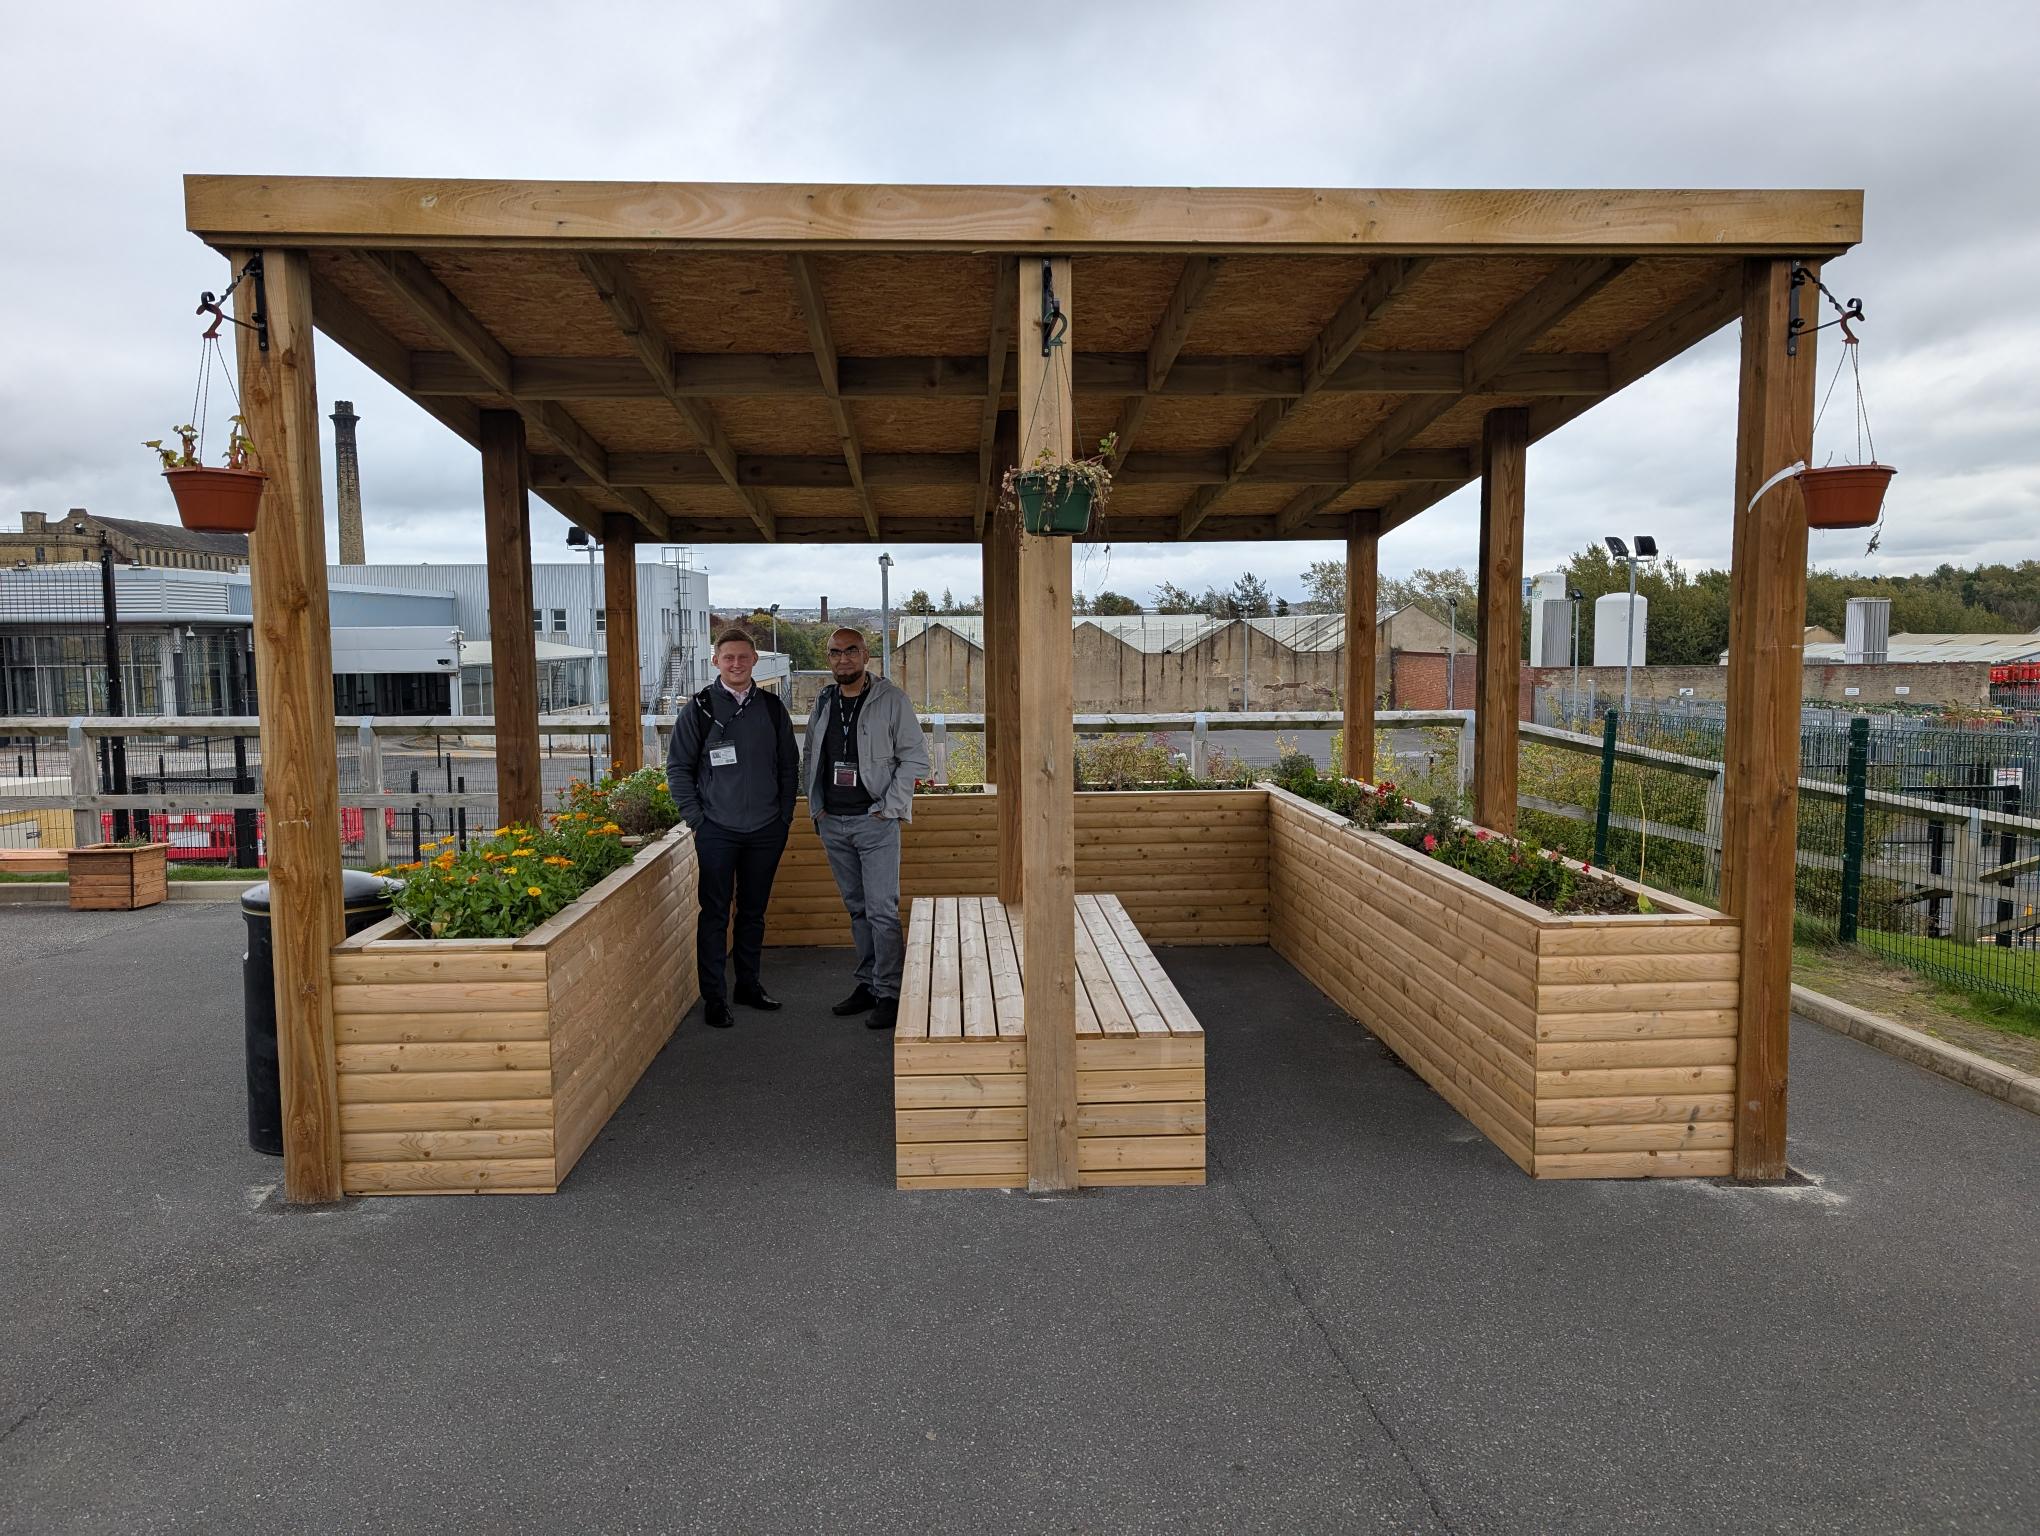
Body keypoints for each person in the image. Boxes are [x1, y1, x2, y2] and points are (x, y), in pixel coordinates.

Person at [667, 628, 798, 1029]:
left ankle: (748, 985)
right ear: (716, 662)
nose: (737, 664)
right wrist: (698, 821)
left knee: (753, 912)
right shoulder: (699, 709)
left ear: (755, 660)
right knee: (715, 914)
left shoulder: (773, 709)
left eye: (744, 657)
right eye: (729, 658)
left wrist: (784, 816)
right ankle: (715, 996)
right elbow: (678, 770)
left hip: (765, 829)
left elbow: (790, 767)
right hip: (717, 831)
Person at [801, 627, 929, 1031]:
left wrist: (888, 809)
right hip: (833, 824)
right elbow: (810, 755)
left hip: (874, 823)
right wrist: (816, 808)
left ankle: (889, 991)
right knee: (858, 910)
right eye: (835, 652)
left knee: (882, 912)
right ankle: (868, 984)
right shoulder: (824, 700)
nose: (843, 659)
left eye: (851, 651)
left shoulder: (891, 699)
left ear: (866, 655)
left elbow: (916, 759)